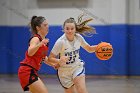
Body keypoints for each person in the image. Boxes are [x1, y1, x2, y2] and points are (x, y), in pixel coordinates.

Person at [48, 14, 97, 93]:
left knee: (81, 90)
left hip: (76, 67)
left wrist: (99, 47)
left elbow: (89, 49)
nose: (70, 31)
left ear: (75, 29)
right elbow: (50, 58)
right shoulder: (60, 42)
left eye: (72, 28)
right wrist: (59, 60)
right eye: (67, 29)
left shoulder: (78, 37)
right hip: (64, 71)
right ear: (64, 29)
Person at [18, 16, 50, 93]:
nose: (47, 27)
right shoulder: (36, 39)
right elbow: (30, 52)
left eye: (47, 24)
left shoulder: (44, 42)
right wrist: (39, 44)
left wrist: (55, 64)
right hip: (27, 71)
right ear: (38, 28)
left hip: (32, 71)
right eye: (45, 25)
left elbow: (44, 58)